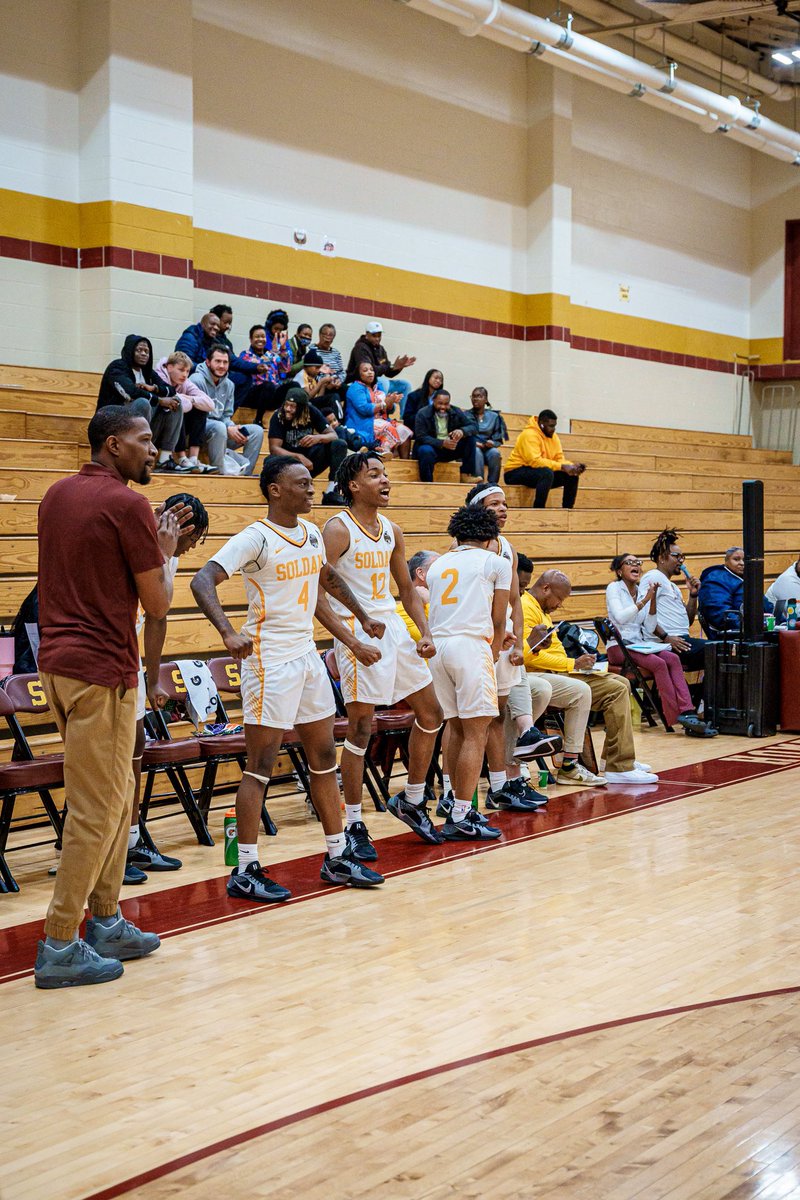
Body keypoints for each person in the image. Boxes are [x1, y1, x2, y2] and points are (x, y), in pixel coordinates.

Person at [33, 406, 184, 988]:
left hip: (60, 665)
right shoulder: (129, 505)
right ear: (112, 444)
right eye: (144, 440)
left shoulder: (55, 495)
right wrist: (166, 550)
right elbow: (159, 604)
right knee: (98, 809)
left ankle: (105, 917)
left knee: (118, 798)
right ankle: (59, 941)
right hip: (103, 669)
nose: (153, 449)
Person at [190, 454, 387, 899]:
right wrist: (227, 632)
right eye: (302, 483)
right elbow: (203, 581)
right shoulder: (255, 538)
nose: (311, 489)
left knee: (323, 757)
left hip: (305, 657)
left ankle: (337, 855)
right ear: (275, 490)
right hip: (267, 660)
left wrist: (359, 626)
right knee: (260, 767)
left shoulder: (313, 533)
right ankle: (245, 868)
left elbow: (323, 584)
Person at [322, 453, 445, 859]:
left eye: (385, 473)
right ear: (354, 486)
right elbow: (316, 590)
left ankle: (411, 799)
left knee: (431, 713)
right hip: (357, 631)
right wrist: (349, 639)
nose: (385, 479)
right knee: (361, 728)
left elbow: (408, 589)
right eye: (374, 474)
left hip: (390, 625)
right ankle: (354, 822)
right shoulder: (338, 529)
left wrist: (425, 632)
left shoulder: (392, 529)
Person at [461, 482, 561, 815]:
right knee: (470, 721)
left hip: (503, 638)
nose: (503, 509)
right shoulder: (464, 549)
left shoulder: (508, 548)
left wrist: (518, 638)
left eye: (505, 504)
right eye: (494, 505)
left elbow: (516, 601)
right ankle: (458, 792)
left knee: (499, 715)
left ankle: (503, 783)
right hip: (476, 640)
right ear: (477, 510)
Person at [126, 493, 211, 883]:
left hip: (129, 656)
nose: (193, 547)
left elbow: (157, 618)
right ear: (181, 525)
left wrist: (154, 675)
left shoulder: (168, 553)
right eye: (195, 538)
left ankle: (131, 839)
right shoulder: (139, 540)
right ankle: (109, 845)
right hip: (100, 655)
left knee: (136, 749)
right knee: (112, 758)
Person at [522, 570, 658, 785]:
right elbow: (528, 656)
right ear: (546, 588)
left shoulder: (540, 609)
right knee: (617, 689)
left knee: (621, 682)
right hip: (547, 676)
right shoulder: (526, 607)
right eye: (559, 598)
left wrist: (577, 664)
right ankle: (618, 766)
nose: (560, 605)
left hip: (560, 672)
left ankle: (611, 760)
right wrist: (572, 664)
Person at [425, 504, 509, 841]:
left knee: (456, 726)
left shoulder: (438, 564)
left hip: (439, 648)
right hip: (470, 647)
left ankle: (452, 801)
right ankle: (461, 813)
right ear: (490, 538)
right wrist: (493, 649)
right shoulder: (497, 562)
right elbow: (499, 618)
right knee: (478, 732)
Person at [607, 553, 715, 735]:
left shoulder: (642, 589)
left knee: (672, 659)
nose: (636, 565)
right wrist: (644, 601)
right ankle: (672, 717)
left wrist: (653, 600)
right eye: (629, 563)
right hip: (619, 647)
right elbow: (620, 616)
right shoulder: (614, 588)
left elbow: (649, 626)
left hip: (639, 644)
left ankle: (688, 713)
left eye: (637, 562)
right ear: (619, 570)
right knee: (659, 663)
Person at [97, 334, 182, 462]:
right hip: (112, 426)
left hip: (140, 427)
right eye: (139, 350)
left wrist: (154, 388)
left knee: (176, 402)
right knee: (143, 403)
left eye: (146, 351)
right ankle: (138, 455)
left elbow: (171, 390)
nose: (143, 354)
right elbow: (130, 392)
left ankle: (165, 458)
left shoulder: (147, 372)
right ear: (130, 351)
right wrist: (159, 400)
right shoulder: (117, 367)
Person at [189, 344, 264, 475]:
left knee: (256, 431)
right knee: (219, 427)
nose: (222, 366)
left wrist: (231, 426)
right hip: (197, 432)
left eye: (225, 362)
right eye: (217, 361)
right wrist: (226, 427)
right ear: (208, 362)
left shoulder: (229, 384)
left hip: (221, 431)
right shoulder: (196, 380)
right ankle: (220, 473)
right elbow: (194, 418)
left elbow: (226, 415)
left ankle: (245, 475)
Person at [638, 528, 706, 670]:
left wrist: (693, 596)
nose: (681, 561)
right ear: (662, 558)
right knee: (717, 650)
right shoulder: (653, 577)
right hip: (665, 643)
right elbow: (643, 615)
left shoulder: (673, 586)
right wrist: (666, 637)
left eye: (682, 557)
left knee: (722, 650)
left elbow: (688, 621)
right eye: (677, 556)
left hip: (681, 640)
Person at [267, 391, 347, 504]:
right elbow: (274, 448)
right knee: (269, 461)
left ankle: (332, 491)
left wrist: (317, 438)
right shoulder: (278, 415)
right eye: (286, 404)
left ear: (302, 408)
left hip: (310, 461)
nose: (288, 409)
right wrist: (298, 457)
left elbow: (333, 435)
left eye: (293, 406)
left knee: (339, 444)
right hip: (287, 461)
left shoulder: (311, 411)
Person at [504, 409, 586, 508]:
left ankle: (568, 510)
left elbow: (559, 458)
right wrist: (562, 466)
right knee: (546, 473)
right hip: (514, 472)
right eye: (551, 426)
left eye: (554, 426)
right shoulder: (529, 435)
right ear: (542, 424)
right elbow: (534, 461)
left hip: (536, 472)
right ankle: (539, 509)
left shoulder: (553, 436)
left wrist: (571, 467)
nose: (553, 429)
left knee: (571, 475)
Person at [154, 351, 217, 473]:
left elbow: (210, 404)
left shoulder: (185, 382)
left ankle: (193, 458)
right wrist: (186, 399)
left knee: (201, 410)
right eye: (181, 370)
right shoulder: (158, 377)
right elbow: (180, 403)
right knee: (178, 407)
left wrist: (191, 398)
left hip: (173, 428)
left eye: (187, 371)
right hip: (157, 426)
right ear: (169, 367)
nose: (185, 375)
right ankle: (182, 457)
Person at [345, 361, 413, 458]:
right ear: (358, 374)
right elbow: (364, 409)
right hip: (363, 423)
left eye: (372, 370)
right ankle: (381, 457)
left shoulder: (378, 386)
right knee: (388, 428)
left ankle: (405, 465)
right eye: (365, 370)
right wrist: (384, 403)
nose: (370, 372)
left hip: (381, 420)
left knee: (404, 431)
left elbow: (390, 410)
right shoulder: (355, 388)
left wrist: (391, 402)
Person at [345, 320, 416, 410]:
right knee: (382, 382)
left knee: (406, 385)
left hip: (377, 383)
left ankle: (402, 418)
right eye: (374, 336)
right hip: (361, 383)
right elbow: (370, 370)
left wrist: (399, 367)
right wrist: (390, 366)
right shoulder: (360, 348)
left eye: (379, 335)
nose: (377, 338)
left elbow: (388, 373)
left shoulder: (380, 349)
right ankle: (379, 413)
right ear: (367, 335)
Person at [413, 389, 478, 482]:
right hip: (432, 448)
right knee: (425, 450)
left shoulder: (456, 411)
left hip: (450, 448)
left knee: (471, 439)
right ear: (433, 401)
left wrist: (462, 431)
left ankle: (466, 475)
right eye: (440, 403)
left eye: (446, 404)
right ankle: (427, 482)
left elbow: (473, 427)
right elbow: (421, 436)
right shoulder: (422, 413)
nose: (443, 407)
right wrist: (442, 443)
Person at [697, 547, 749, 633]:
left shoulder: (748, 578)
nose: (742, 563)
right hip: (731, 636)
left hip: (754, 630)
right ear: (726, 561)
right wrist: (748, 626)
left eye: (744, 560)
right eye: (736, 559)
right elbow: (720, 614)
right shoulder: (715, 579)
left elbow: (766, 606)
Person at [470, 387, 507, 485]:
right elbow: (463, 434)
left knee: (495, 453)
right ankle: (479, 484)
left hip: (487, 448)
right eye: (473, 396)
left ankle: (493, 485)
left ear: (486, 399)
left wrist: (493, 443)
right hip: (471, 448)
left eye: (479, 396)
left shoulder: (494, 416)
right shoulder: (466, 415)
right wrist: (473, 443)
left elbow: (498, 438)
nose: (475, 399)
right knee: (476, 452)